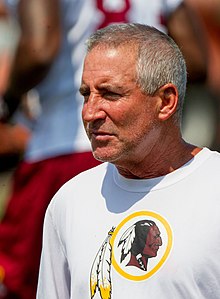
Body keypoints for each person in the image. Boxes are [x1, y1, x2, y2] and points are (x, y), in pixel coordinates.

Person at [0, 1, 186, 298]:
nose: (92, 109)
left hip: (59, 150)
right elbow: (197, 61)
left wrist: (7, 102)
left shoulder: (69, 188)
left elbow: (39, 48)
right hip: (154, 157)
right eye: (87, 94)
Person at [37, 23, 220, 299]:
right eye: (87, 94)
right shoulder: (70, 201)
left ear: (165, 102)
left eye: (110, 94)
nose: (90, 113)